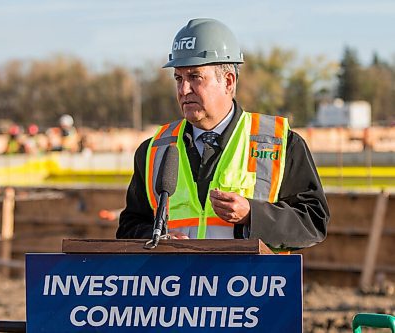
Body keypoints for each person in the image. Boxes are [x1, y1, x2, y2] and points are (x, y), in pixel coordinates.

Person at [116, 19, 329, 251]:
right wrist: (158, 236)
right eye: (178, 78)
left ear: (228, 81)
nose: (183, 89)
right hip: (177, 285)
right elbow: (129, 227)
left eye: (195, 77)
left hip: (248, 285)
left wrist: (253, 215)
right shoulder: (154, 150)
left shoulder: (282, 144)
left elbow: (313, 223)